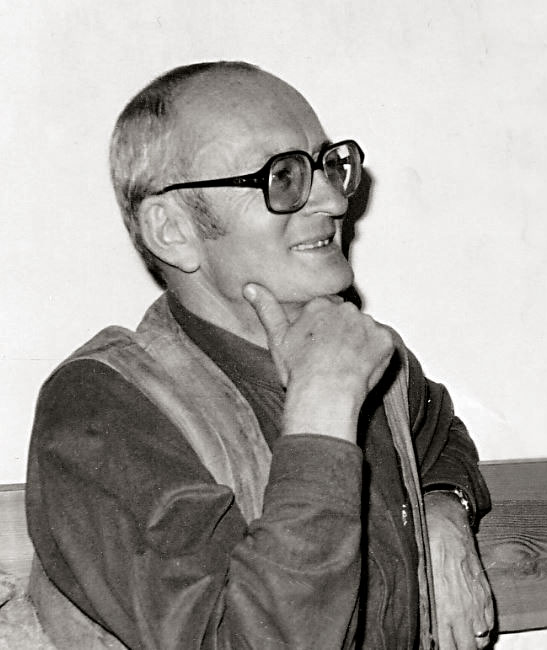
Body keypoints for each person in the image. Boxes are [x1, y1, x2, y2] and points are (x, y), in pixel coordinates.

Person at [26, 61, 494, 649]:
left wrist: (444, 510)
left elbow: (439, 435)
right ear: (172, 230)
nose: (333, 200)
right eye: (283, 176)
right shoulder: (102, 410)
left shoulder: (359, 352)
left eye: (328, 165)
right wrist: (323, 409)